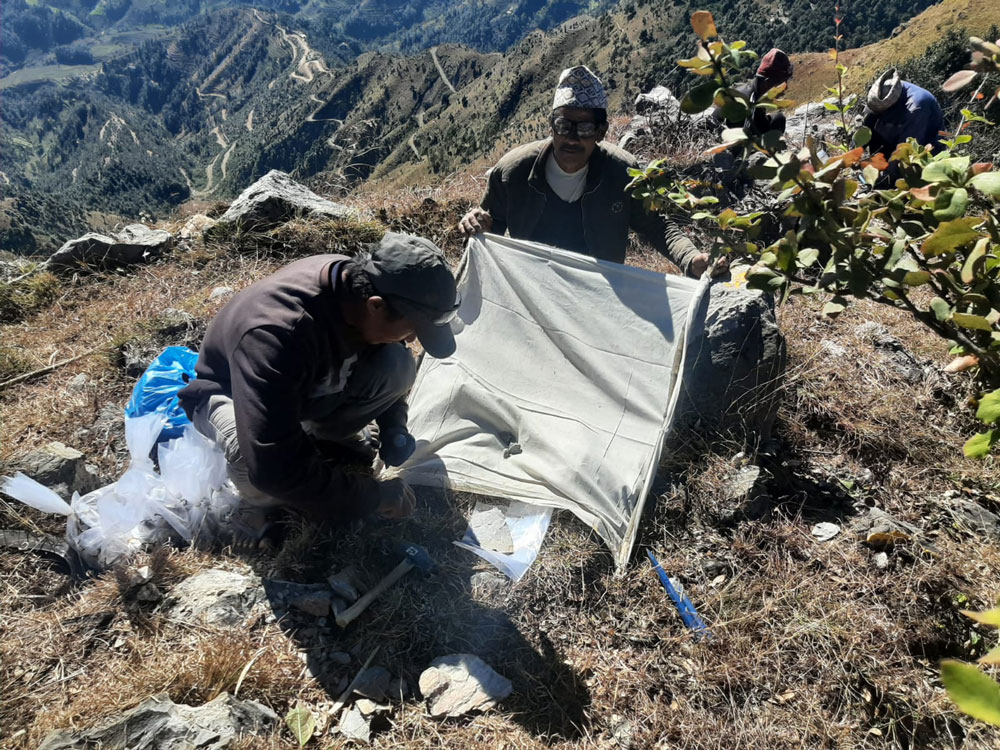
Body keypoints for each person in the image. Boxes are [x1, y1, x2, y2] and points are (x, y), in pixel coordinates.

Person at [178, 232, 460, 538]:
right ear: (376, 306)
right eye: (411, 329)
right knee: (252, 464)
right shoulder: (277, 335)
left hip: (300, 388)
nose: (411, 339)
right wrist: (370, 497)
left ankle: (317, 444)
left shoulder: (358, 288)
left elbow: (388, 373)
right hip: (231, 393)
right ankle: (279, 495)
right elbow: (273, 467)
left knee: (397, 363)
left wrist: (394, 426)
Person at [459, 65, 717, 277]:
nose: (571, 138)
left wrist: (691, 258)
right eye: (563, 125)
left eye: (584, 129)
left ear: (601, 132)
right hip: (530, 292)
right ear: (551, 126)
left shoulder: (622, 173)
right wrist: (476, 225)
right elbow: (488, 233)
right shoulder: (513, 172)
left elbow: (655, 225)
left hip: (599, 294)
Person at [859, 68, 945, 163]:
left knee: (906, 168)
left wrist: (886, 175)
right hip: (895, 133)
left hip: (924, 147)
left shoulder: (916, 107)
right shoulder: (881, 93)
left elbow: (907, 150)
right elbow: (867, 125)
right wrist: (853, 155)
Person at [712, 47, 794, 136]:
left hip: (743, 128)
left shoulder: (754, 92)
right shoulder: (745, 103)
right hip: (733, 136)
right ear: (767, 82)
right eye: (781, 84)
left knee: (778, 119)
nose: (784, 88)